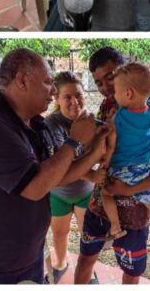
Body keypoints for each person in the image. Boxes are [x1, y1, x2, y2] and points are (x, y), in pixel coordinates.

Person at [0, 48, 107, 285]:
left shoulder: (34, 123)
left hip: (29, 252)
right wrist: (74, 141)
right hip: (0, 264)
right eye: (48, 82)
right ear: (22, 80)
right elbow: (35, 187)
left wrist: (96, 149)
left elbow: (56, 175)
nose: (53, 91)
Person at [74, 47, 150, 284]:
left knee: (131, 272)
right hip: (100, 203)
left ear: (124, 72)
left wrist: (130, 189)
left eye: (110, 77)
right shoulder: (107, 107)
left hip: (134, 208)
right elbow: (98, 150)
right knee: (86, 259)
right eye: (98, 83)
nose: (105, 88)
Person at [95, 63, 150, 244]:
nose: (114, 95)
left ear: (128, 93)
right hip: (144, 169)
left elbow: (111, 145)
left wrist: (105, 164)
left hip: (122, 168)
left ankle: (115, 227)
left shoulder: (119, 117)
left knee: (106, 193)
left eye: (116, 91)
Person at [45, 72, 96, 283]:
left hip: (86, 191)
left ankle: (89, 271)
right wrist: (94, 174)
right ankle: (61, 263)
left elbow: (100, 152)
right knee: (59, 234)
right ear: (56, 98)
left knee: (88, 235)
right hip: (59, 193)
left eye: (79, 95)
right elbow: (64, 165)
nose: (75, 102)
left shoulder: (91, 120)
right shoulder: (51, 124)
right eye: (67, 97)